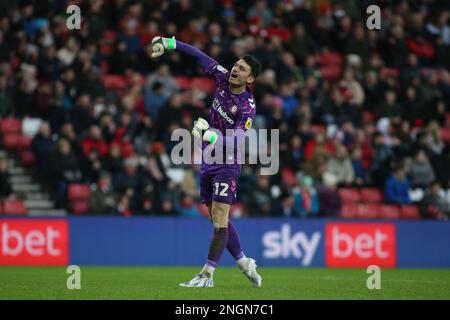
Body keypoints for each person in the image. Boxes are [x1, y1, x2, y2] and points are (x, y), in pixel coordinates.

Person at [148, 36, 262, 288]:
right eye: (236, 65)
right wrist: (170, 43)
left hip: (227, 163)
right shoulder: (222, 77)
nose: (235, 69)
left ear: (250, 79)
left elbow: (236, 141)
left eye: (242, 68)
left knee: (220, 217)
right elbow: (200, 56)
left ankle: (206, 275)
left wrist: (210, 135)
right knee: (216, 218)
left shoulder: (247, 107)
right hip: (209, 159)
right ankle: (244, 262)